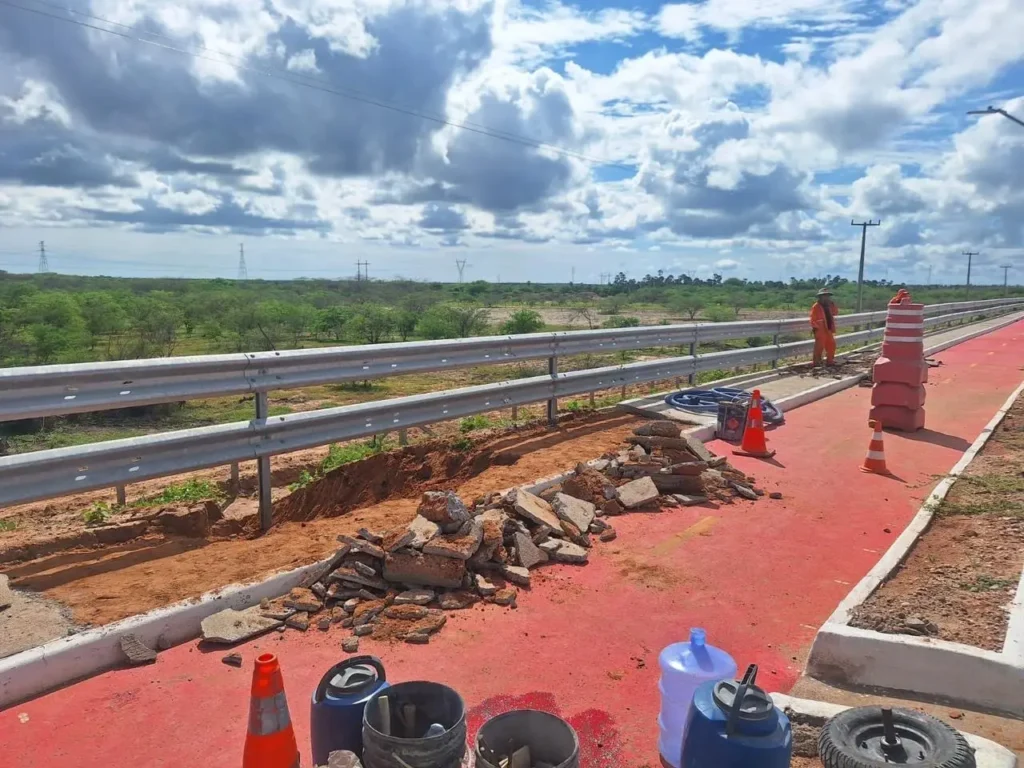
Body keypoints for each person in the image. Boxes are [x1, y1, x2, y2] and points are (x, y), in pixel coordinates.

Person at [810, 287, 837, 367]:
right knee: (819, 346)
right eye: (824, 295)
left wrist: (832, 304)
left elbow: (835, 312)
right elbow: (812, 318)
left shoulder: (830, 305)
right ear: (820, 297)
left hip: (828, 329)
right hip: (820, 330)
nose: (826, 297)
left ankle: (830, 361)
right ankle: (816, 363)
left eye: (827, 296)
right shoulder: (816, 306)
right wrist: (816, 328)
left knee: (831, 344)